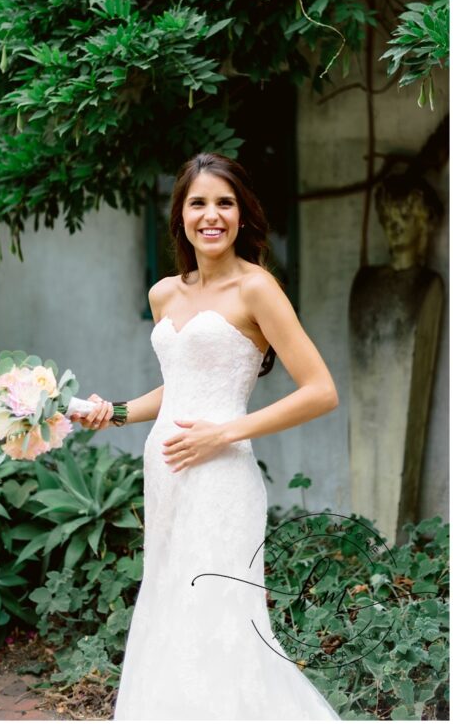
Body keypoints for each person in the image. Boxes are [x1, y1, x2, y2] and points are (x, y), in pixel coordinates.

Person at [76, 153, 341, 719]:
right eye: (199, 203)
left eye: (225, 203)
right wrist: (115, 411)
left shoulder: (257, 289)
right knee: (170, 609)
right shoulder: (165, 293)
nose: (212, 215)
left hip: (223, 481)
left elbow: (321, 390)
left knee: (220, 617)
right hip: (166, 473)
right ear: (181, 216)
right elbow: (177, 389)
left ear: (242, 216)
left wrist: (225, 433)